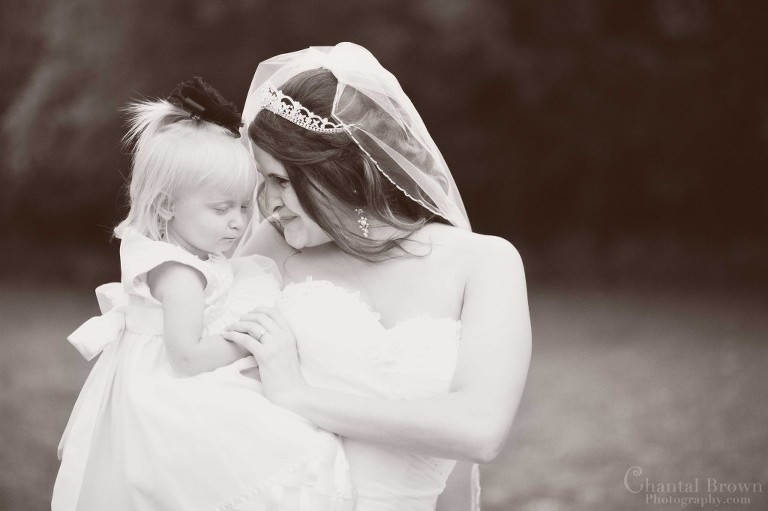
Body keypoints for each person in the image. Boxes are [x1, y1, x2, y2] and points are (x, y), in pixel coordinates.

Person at [226, 43, 532, 511]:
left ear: (342, 171)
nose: (266, 204)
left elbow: (480, 430)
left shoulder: (486, 263)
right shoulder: (270, 248)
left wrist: (299, 396)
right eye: (261, 180)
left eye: (281, 181)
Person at [52, 78, 354, 511]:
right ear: (166, 206)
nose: (238, 223)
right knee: (263, 450)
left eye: (244, 207)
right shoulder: (180, 273)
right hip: (165, 393)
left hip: (158, 378)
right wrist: (250, 338)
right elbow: (188, 358)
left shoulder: (184, 253)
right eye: (221, 209)